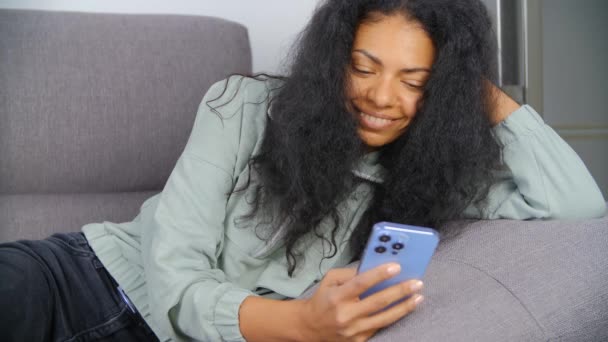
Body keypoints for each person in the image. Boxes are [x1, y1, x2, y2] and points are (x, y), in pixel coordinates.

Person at [1, 0, 606, 341]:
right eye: (363, 67)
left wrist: (476, 89)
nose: (381, 97)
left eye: (415, 81)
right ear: (331, 59)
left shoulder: (440, 174)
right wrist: (301, 324)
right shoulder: (240, 106)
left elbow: (580, 207)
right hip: (85, 278)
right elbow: (173, 277)